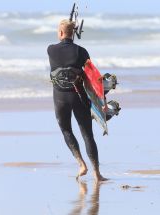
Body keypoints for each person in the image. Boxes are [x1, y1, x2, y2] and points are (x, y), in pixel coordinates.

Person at [47, 19, 108, 182]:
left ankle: (81, 164)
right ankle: (96, 173)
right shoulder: (82, 51)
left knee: (66, 130)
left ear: (60, 33)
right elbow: (91, 76)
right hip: (79, 96)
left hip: (60, 98)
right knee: (88, 134)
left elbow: (62, 55)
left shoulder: (50, 50)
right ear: (74, 33)